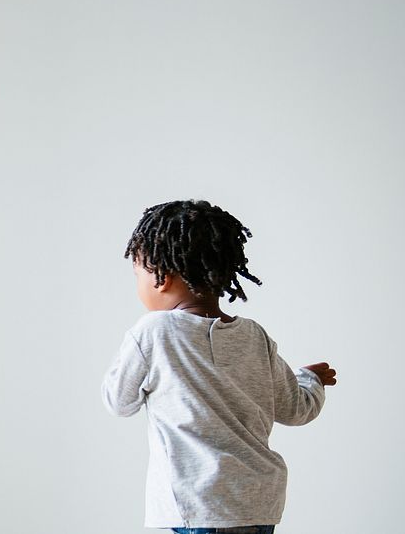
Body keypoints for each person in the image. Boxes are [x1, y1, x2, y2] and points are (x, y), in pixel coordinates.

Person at [102, 200, 336, 534]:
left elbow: (119, 401)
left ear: (161, 278)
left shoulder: (152, 332)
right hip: (258, 504)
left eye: (138, 273)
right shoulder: (255, 337)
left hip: (196, 505)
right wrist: (311, 380)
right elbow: (296, 410)